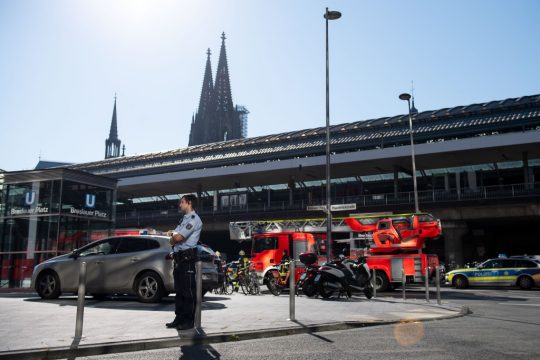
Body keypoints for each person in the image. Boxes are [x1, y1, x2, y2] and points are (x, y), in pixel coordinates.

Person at [165, 194, 202, 330]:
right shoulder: (183, 219)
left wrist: (173, 237)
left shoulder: (194, 219)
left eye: (182, 202)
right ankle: (179, 318)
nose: (180, 205)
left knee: (188, 292)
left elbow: (178, 237)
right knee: (179, 292)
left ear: (189, 203)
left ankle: (188, 321)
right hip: (179, 259)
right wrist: (173, 237)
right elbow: (173, 236)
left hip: (187, 259)